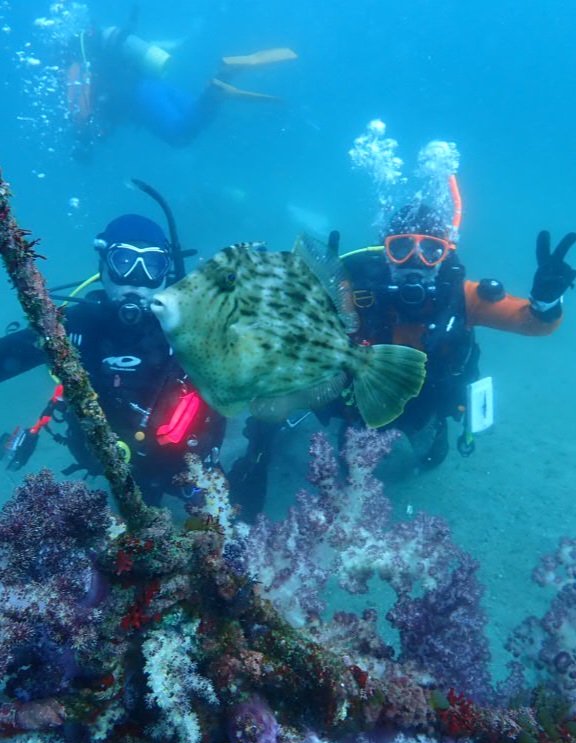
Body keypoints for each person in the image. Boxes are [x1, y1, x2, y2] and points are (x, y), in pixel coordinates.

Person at [229, 177, 576, 517]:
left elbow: (531, 323)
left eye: (431, 250)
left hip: (428, 402)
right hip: (363, 403)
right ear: (385, 251)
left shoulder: (464, 296)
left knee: (430, 460)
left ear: (445, 253)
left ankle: (429, 433)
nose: (415, 261)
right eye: (401, 247)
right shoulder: (356, 289)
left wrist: (546, 302)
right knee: (351, 470)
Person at [0, 213, 225, 506]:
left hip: (180, 465)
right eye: (123, 261)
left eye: (152, 265)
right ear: (103, 267)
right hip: (100, 460)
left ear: (166, 274)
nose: (137, 278)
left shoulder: (190, 329)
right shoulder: (73, 327)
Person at [65, 22, 297, 161]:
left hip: (138, 98)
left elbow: (82, 112)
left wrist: (82, 136)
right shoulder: (97, 53)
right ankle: (223, 78)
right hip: (150, 85)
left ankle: (220, 83)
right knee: (195, 114)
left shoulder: (74, 66)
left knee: (180, 136)